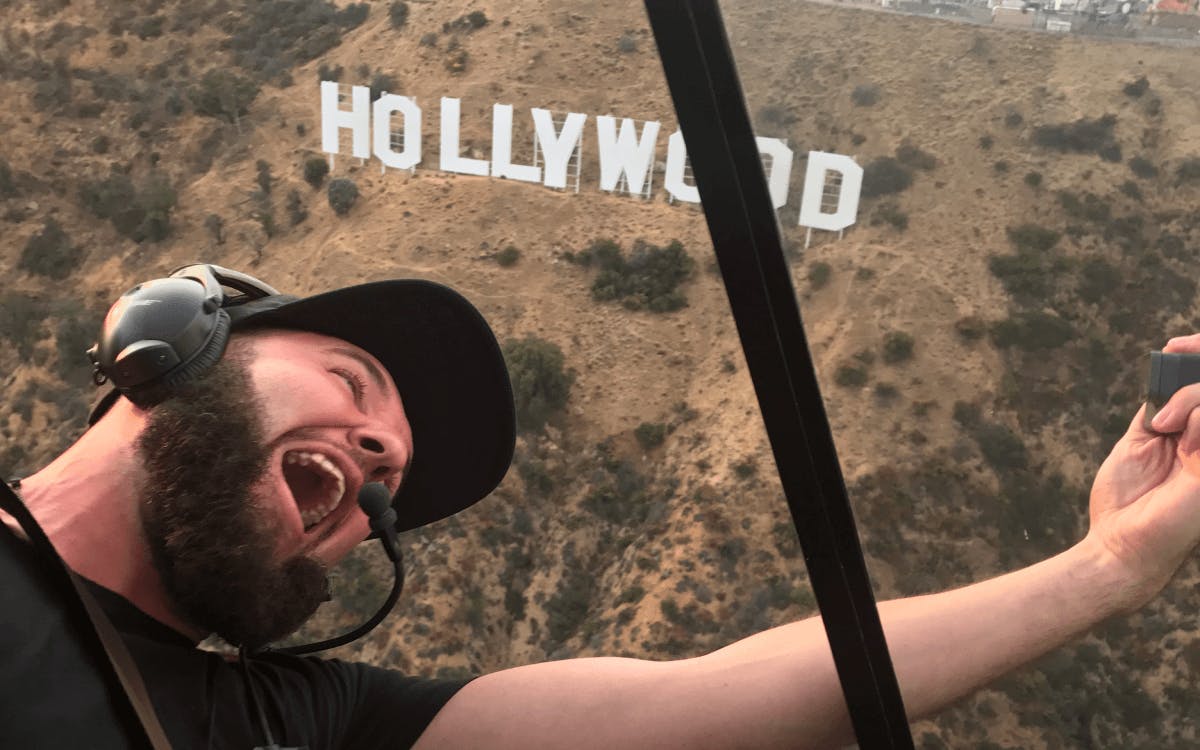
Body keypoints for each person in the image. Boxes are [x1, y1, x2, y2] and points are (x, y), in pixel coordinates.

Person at [3, 264, 1200, 750]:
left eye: (389, 489)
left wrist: (1113, 565)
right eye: (355, 386)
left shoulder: (282, 719)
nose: (375, 465)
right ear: (174, 348)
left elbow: (716, 698)